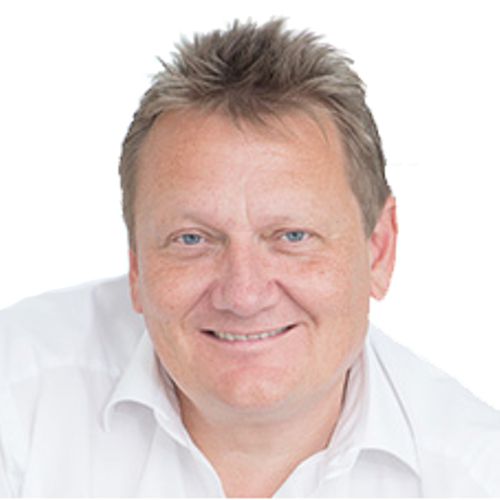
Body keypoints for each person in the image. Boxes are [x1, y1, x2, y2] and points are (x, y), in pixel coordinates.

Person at [0, 18, 499, 498]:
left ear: (379, 250)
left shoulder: (476, 476)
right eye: (192, 239)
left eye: (293, 236)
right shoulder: (18, 396)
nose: (243, 295)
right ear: (137, 266)